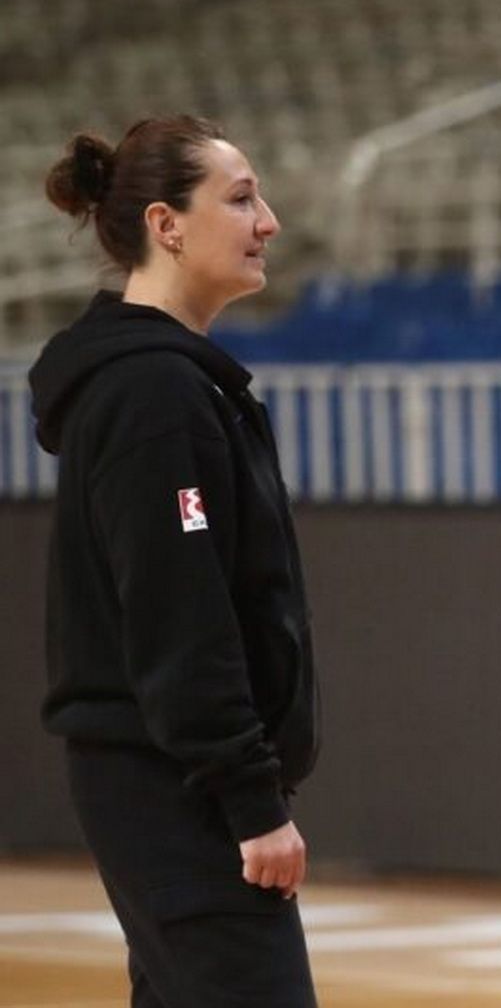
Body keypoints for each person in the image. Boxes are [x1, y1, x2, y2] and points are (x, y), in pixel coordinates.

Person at [28, 117, 318, 1007]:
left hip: (172, 781)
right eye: (240, 199)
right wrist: (250, 801)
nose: (267, 221)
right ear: (167, 225)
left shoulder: (171, 380)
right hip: (175, 791)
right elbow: (180, 617)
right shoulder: (151, 391)